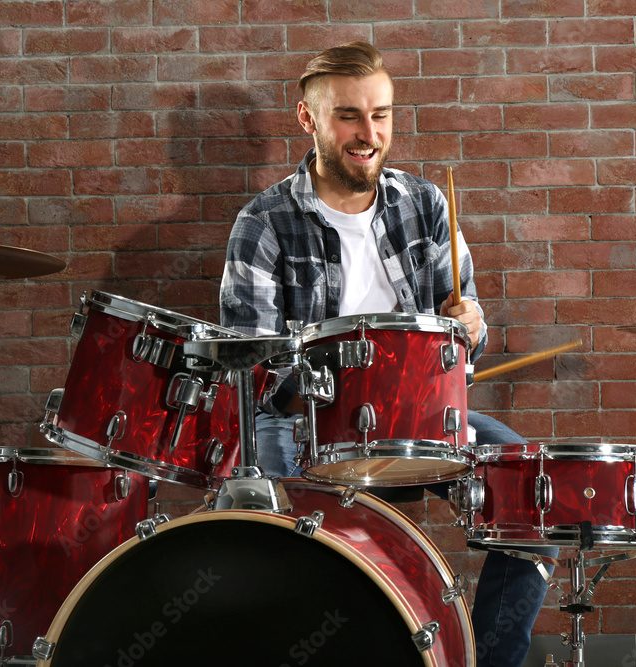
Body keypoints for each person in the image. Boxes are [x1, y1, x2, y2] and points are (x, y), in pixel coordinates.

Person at [220, 41, 556, 667]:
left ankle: (487, 661)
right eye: (349, 115)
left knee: (534, 493)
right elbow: (254, 370)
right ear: (308, 119)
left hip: (420, 417)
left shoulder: (425, 205)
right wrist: (341, 379)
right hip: (305, 422)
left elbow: (464, 334)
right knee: (289, 543)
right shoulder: (263, 223)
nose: (368, 133)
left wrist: (470, 325)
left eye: (381, 114)